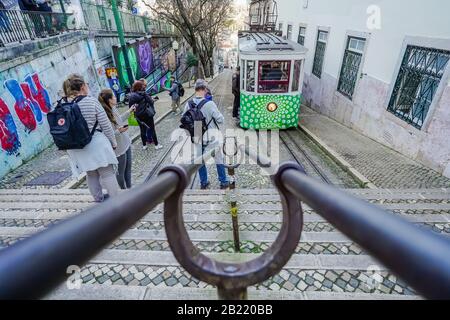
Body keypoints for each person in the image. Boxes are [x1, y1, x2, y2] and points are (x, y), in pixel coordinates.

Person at [63, 74, 120, 203]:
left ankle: (98, 199)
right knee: (107, 173)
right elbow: (105, 124)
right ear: (82, 86)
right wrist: (113, 142)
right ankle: (116, 201)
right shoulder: (91, 101)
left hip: (77, 148)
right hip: (96, 143)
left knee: (91, 174)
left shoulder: (64, 104)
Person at [183, 79, 229, 190]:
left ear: (195, 90)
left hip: (197, 136)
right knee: (218, 159)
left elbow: (184, 119)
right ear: (204, 89)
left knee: (200, 160)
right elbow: (220, 120)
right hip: (211, 136)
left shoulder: (188, 104)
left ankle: (204, 182)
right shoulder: (210, 104)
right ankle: (223, 182)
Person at [98, 89, 134, 190]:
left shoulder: (113, 108)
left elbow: (119, 120)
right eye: (113, 96)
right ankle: (123, 191)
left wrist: (129, 111)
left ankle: (130, 189)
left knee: (128, 168)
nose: (115, 98)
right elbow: (107, 134)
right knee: (121, 172)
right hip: (118, 148)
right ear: (109, 100)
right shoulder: (103, 115)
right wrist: (120, 131)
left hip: (125, 142)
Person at [129, 80, 163, 150]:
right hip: (147, 115)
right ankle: (156, 145)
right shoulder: (144, 94)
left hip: (138, 116)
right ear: (140, 87)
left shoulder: (131, 96)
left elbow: (130, 107)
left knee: (142, 130)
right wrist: (152, 99)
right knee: (152, 129)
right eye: (142, 86)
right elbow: (151, 102)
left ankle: (144, 145)